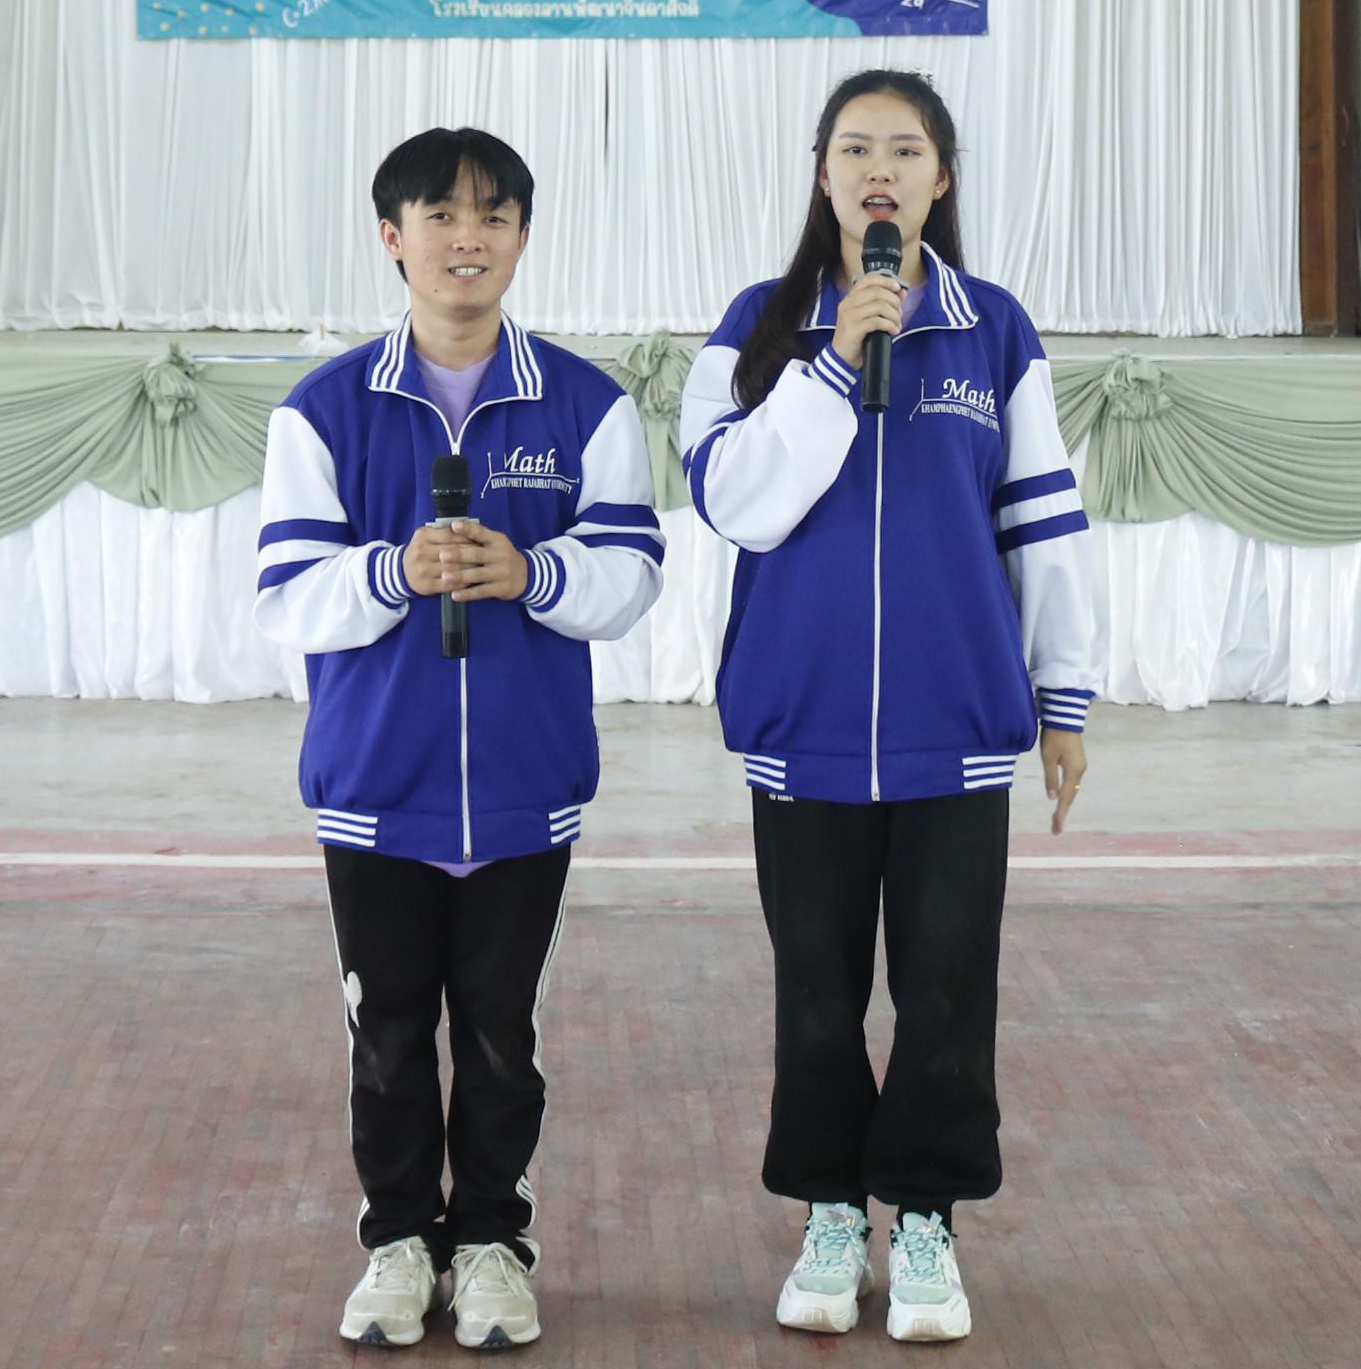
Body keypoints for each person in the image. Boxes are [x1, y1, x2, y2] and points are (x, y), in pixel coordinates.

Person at [677, 69, 1095, 1345]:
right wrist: (832, 361)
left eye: (904, 150)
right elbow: (733, 501)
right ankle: (827, 1211)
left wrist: (1063, 697)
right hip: (799, 732)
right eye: (854, 147)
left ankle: (922, 1221)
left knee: (948, 991)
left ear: (940, 180)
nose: (878, 169)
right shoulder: (757, 327)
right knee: (815, 990)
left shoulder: (996, 331)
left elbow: (1044, 525)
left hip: (955, 730)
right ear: (821, 174)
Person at [256, 126, 666, 1351]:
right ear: (393, 239)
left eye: (492, 215)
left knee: (501, 1037)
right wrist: (394, 570)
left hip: (526, 792)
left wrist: (532, 570)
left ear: (524, 237)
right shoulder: (323, 410)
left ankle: (490, 1239)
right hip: (376, 787)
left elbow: (633, 578)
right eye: (439, 215)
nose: (466, 237)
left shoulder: (587, 405)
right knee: (386, 1037)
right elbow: (287, 597)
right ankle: (395, 1241)